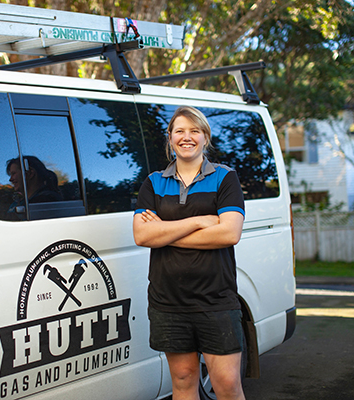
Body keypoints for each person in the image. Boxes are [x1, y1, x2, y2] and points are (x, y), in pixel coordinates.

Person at [132, 106, 246, 400]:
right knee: (182, 382)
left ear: (205, 137)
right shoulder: (153, 182)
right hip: (168, 301)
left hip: (216, 299)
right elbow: (143, 234)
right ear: (169, 138)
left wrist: (165, 233)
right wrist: (197, 221)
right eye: (179, 131)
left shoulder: (225, 178)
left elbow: (229, 233)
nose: (187, 137)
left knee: (227, 383)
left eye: (194, 130)